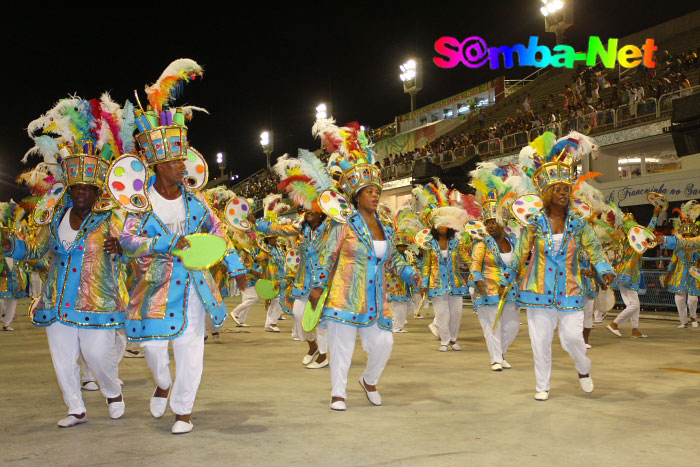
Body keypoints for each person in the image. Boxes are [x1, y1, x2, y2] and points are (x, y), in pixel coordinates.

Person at [119, 59, 246, 434]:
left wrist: (236, 267)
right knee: (155, 349)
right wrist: (165, 242)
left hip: (193, 284)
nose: (182, 165)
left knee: (191, 350)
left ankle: (183, 411)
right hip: (154, 286)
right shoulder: (140, 205)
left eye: (183, 159)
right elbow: (128, 242)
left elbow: (219, 234)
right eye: (175, 161)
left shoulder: (197, 201)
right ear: (158, 164)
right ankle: (162, 382)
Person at [2, 95, 130, 427]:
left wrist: (123, 248)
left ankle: (112, 390)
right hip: (56, 299)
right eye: (76, 189)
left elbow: (130, 245)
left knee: (97, 355)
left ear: (97, 191)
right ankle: (75, 408)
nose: (81, 193)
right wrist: (9, 245)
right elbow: (34, 249)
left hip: (94, 299)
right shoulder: (56, 215)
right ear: (70, 190)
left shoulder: (110, 219)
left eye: (87, 188)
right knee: (62, 358)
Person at [308, 119, 420, 411]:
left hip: (376, 299)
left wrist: (412, 274)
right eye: (369, 191)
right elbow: (326, 256)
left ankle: (369, 380)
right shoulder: (343, 223)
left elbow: (392, 259)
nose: (375, 195)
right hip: (344, 296)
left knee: (384, 344)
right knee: (341, 347)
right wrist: (319, 285)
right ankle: (338, 394)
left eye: (377, 191)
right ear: (357, 195)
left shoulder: (386, 225)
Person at [503, 132, 615, 401]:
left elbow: (596, 252)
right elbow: (520, 254)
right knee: (540, 343)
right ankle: (543, 384)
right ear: (547, 192)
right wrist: (507, 276)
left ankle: (583, 367)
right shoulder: (534, 224)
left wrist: (605, 270)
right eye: (559, 189)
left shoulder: (579, 225)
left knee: (572, 339)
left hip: (570, 291)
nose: (564, 193)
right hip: (537, 292)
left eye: (567, 189)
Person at [468, 163, 519, 370]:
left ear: (502, 222)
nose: (489, 226)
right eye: (487, 222)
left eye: (493, 222)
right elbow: (474, 264)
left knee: (512, 326)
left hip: (509, 290)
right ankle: (496, 358)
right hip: (487, 289)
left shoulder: (514, 241)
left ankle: (500, 352)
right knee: (491, 326)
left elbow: (518, 265)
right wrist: (478, 281)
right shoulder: (482, 243)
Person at [414, 180, 472, 352]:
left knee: (456, 314)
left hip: (455, 284)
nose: (442, 228)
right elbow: (426, 266)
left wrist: (476, 269)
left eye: (445, 225)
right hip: (437, 284)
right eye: (439, 225)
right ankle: (444, 341)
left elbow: (466, 259)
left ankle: (454, 339)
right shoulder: (430, 245)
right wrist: (424, 284)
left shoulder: (456, 243)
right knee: (441, 314)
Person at [606, 207, 661, 338]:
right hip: (628, 274)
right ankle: (615, 324)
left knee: (633, 304)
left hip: (624, 273)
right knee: (634, 304)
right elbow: (649, 232)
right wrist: (655, 214)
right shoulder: (633, 240)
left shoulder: (623, 240)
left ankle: (635, 330)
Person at [664, 201, 700, 328]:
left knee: (693, 300)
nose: (688, 237)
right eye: (686, 235)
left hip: (694, 276)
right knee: (679, 299)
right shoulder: (678, 247)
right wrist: (668, 273)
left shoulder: (698, 246)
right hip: (680, 276)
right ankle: (683, 321)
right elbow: (673, 261)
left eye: (691, 235)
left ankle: (693, 318)